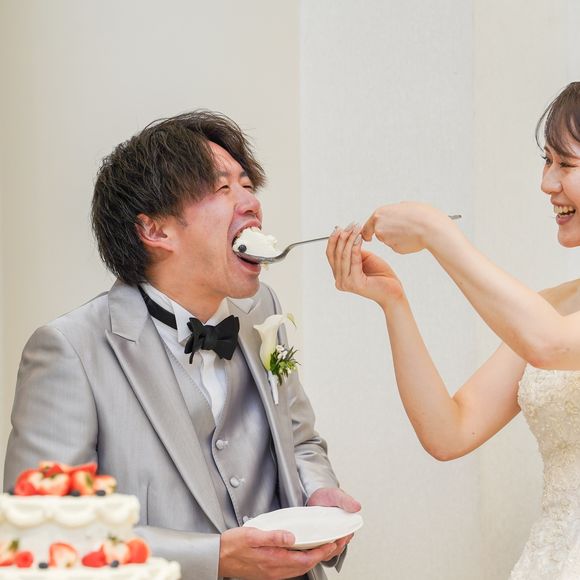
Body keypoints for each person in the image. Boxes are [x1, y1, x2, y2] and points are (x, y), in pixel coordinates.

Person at [4, 110, 360, 580]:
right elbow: (40, 536)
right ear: (155, 230)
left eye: (247, 184)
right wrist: (213, 558)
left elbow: (300, 440)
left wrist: (317, 493)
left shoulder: (261, 309)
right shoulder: (70, 349)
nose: (251, 202)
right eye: (222, 188)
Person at [326, 81, 580, 578]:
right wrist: (394, 303)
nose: (546, 183)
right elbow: (450, 430)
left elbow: (549, 345)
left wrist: (437, 232)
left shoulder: (544, 329)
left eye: (566, 164)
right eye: (546, 161)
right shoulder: (552, 307)